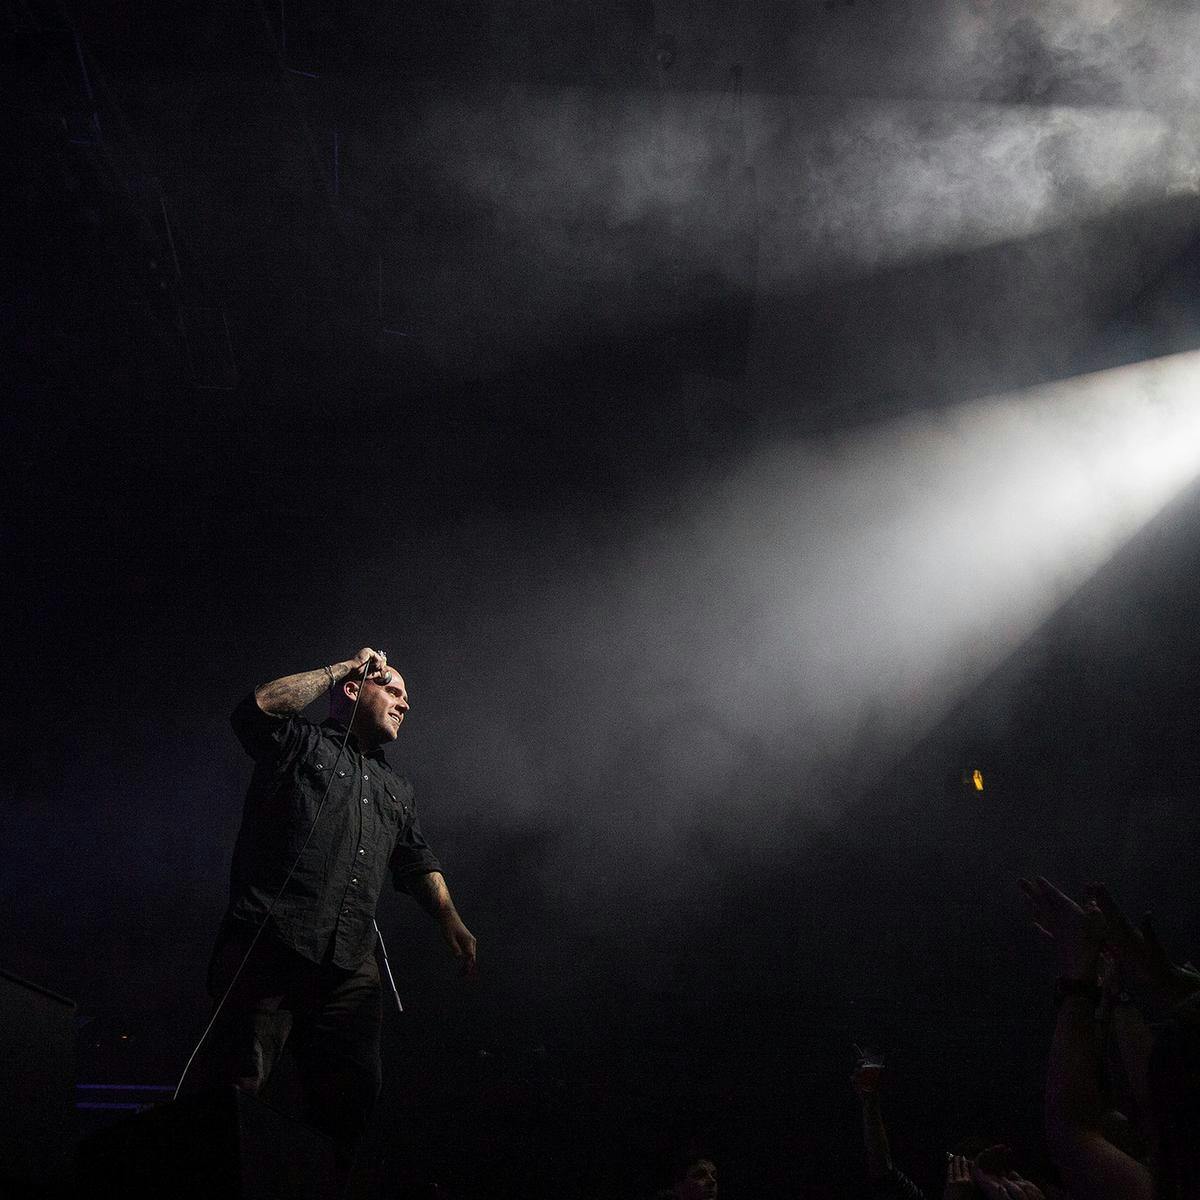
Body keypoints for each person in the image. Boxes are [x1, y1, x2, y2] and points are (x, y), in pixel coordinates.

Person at [183, 646, 476, 1190]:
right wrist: (343, 665)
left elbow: (415, 860)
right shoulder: (299, 743)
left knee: (353, 1097)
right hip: (271, 941)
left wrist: (450, 921)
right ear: (353, 690)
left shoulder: (396, 788)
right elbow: (256, 711)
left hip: (348, 964)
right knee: (237, 1081)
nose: (404, 704)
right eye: (393, 689)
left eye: (406, 698)